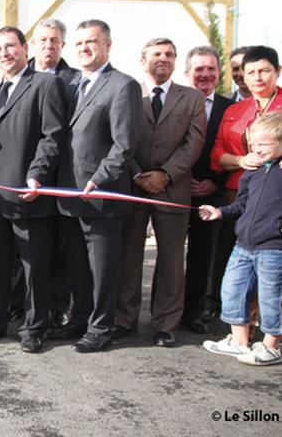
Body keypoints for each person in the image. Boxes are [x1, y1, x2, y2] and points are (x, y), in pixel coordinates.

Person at [0, 26, 66, 353]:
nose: (4, 54)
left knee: (33, 265)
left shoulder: (45, 84)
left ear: (26, 48)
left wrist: (37, 174)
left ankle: (34, 327)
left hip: (29, 192)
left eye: (10, 47)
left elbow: (52, 136)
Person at [56, 19, 141, 353]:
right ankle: (80, 319)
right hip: (70, 195)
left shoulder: (123, 86)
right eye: (78, 44)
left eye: (91, 42)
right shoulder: (72, 84)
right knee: (78, 266)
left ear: (108, 45)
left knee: (103, 269)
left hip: (102, 196)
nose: (84, 49)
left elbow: (125, 144)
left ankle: (101, 328)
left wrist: (98, 179)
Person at [116, 38, 205, 347]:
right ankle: (124, 319)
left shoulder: (192, 98)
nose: (163, 59)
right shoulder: (127, 93)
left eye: (169, 54)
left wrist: (166, 174)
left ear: (176, 61)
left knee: (170, 261)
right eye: (157, 54)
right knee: (128, 257)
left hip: (173, 188)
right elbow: (119, 137)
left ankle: (165, 323)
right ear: (144, 61)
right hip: (133, 185)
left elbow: (193, 143)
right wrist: (137, 173)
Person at [200, 111, 282, 366]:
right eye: (253, 144)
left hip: (273, 247)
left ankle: (271, 345)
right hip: (243, 244)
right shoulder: (251, 172)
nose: (256, 150)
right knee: (232, 289)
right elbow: (242, 204)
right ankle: (239, 341)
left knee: (271, 296)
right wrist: (220, 212)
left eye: (263, 145)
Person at [209, 46, 282, 317]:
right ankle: (239, 322)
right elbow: (217, 155)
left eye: (264, 70)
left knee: (272, 265)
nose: (258, 77)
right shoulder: (235, 110)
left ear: (277, 71)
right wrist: (241, 161)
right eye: (250, 72)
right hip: (238, 196)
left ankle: (271, 328)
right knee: (237, 260)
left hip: (275, 199)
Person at [26, 18, 76, 330]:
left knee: (60, 248)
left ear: (62, 45)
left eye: (55, 40)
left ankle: (58, 308)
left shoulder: (74, 80)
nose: (48, 45)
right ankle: (25, 306)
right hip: (25, 175)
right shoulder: (19, 76)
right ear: (32, 44)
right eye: (43, 40)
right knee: (28, 251)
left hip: (64, 176)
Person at [181, 46, 233, 334]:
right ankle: (167, 312)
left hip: (212, 193)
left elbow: (237, 150)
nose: (205, 74)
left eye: (211, 68)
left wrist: (216, 182)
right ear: (188, 72)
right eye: (199, 69)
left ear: (218, 72)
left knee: (202, 256)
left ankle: (193, 312)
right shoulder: (176, 102)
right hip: (175, 189)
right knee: (171, 257)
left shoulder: (230, 108)